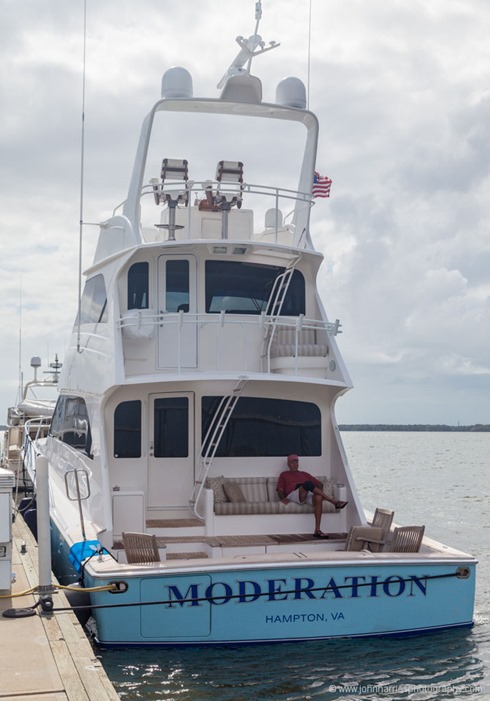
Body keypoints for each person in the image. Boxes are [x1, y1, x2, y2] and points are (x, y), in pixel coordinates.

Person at [276, 454, 348, 539]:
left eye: (296, 462)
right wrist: (283, 498)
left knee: (318, 497)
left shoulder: (305, 474)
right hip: (294, 493)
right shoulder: (284, 474)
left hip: (307, 493)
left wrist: (316, 491)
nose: (295, 464)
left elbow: (320, 484)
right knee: (307, 484)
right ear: (288, 464)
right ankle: (333, 501)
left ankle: (317, 530)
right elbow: (280, 489)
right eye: (292, 462)